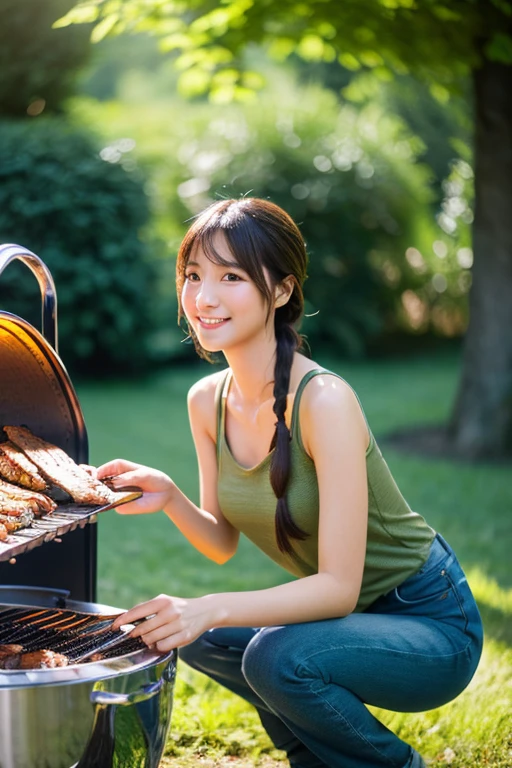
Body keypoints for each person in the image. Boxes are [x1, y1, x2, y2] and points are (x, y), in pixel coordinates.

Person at [98, 197, 484, 768]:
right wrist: (172, 498)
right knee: (192, 633)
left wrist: (209, 606)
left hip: (428, 623)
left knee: (273, 657)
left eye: (230, 276)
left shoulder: (324, 401)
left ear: (280, 291)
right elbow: (221, 543)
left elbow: (338, 589)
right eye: (194, 275)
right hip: (347, 623)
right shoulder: (207, 400)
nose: (204, 297)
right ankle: (314, 756)